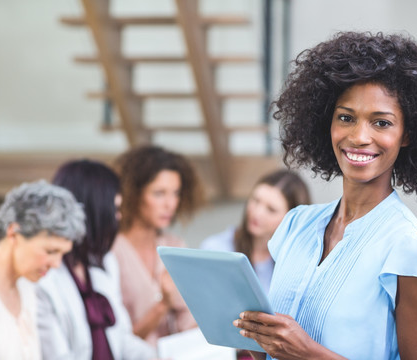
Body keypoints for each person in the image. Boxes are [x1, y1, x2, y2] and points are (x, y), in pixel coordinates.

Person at [233, 31, 417, 360]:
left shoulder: (412, 249)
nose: (359, 136)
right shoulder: (295, 225)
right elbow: (266, 347)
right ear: (325, 123)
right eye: (346, 118)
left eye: (381, 123)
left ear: (407, 135)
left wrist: (308, 353)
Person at [36, 159, 155, 359]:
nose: (118, 217)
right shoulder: (43, 276)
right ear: (94, 211)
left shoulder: (104, 262)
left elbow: (122, 338)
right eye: (114, 209)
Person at [0, 180, 85, 360]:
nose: (56, 264)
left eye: (62, 253)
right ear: (13, 233)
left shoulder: (26, 285)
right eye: (50, 251)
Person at [112, 145, 203, 346]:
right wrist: (163, 305)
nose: (170, 204)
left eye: (176, 193)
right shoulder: (111, 252)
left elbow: (190, 325)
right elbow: (116, 343)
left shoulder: (176, 246)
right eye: (159, 193)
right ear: (133, 194)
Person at [200, 169, 311, 294]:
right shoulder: (216, 249)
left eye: (271, 209)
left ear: (292, 220)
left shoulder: (301, 267)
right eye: (255, 200)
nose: (257, 213)